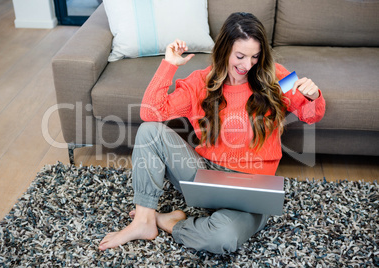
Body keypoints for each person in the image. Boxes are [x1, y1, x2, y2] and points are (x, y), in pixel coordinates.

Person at [99, 12, 325, 254]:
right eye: (240, 56)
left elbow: (310, 114)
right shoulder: (200, 82)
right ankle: (143, 221)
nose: (247, 65)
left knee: (222, 238)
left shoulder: (276, 77)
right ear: (224, 50)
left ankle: (172, 222)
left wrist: (313, 95)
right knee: (149, 131)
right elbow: (150, 113)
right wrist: (169, 65)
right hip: (207, 176)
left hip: (251, 189)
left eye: (254, 57)